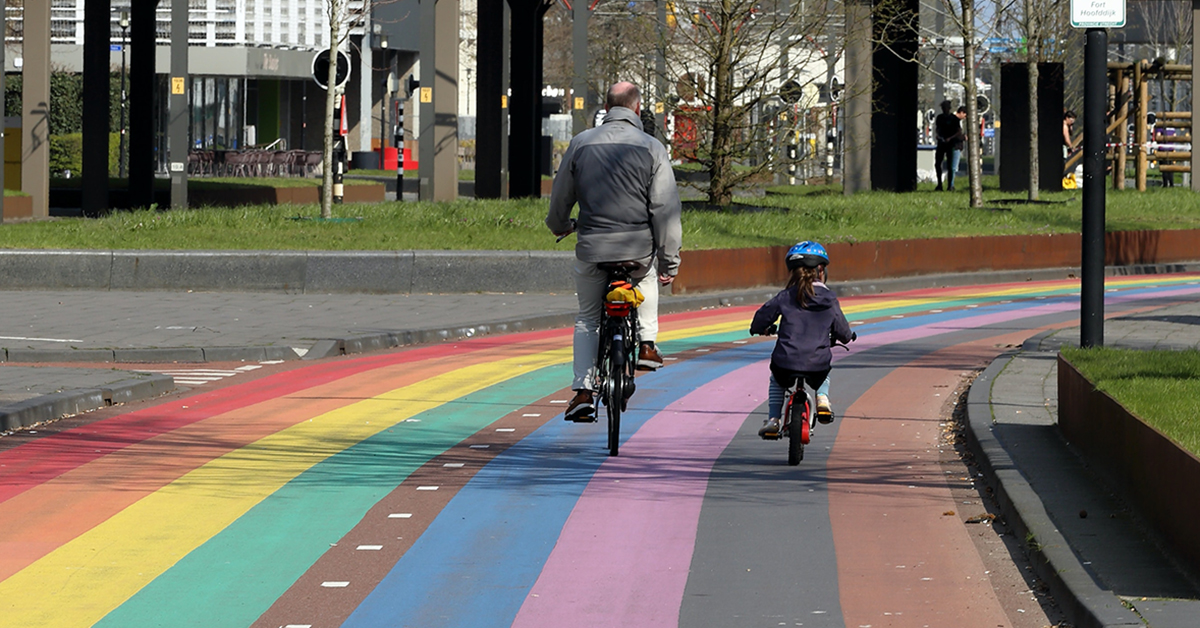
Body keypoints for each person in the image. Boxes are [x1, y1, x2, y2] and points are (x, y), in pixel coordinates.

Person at [546, 81, 683, 422]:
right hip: (637, 251)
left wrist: (559, 224)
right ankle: (648, 345)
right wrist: (670, 261)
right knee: (649, 276)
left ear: (607, 108)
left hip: (593, 248)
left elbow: (561, 196)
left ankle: (583, 391)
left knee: (589, 317)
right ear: (637, 109)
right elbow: (664, 210)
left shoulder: (580, 144)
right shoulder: (652, 148)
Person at [748, 241, 854, 438]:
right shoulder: (829, 299)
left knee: (777, 380)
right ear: (821, 270)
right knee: (823, 369)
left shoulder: (785, 296)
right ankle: (822, 398)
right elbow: (842, 330)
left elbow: (762, 316)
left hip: (785, 361)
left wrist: (759, 328)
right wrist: (847, 337)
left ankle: (773, 419)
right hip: (816, 364)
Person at [934, 101, 965, 191]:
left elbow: (958, 131)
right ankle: (939, 184)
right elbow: (938, 128)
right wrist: (939, 135)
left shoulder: (954, 119)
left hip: (950, 144)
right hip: (941, 142)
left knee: (950, 165)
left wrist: (950, 138)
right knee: (937, 163)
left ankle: (950, 185)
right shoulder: (940, 118)